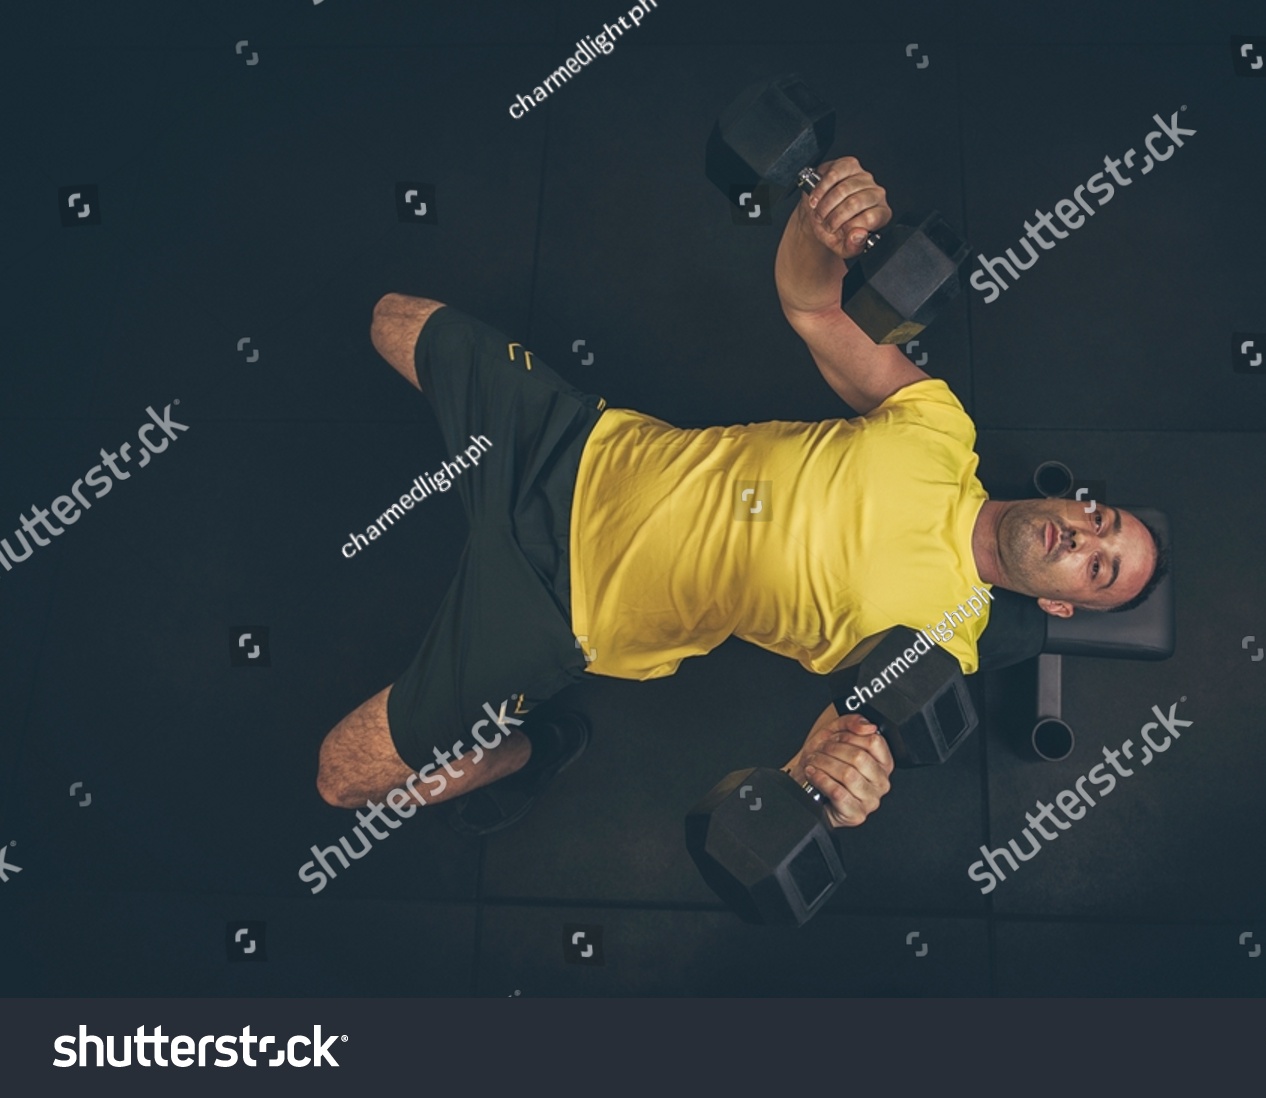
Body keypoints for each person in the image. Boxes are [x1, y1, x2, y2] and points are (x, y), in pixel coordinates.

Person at [316, 158, 1167, 834]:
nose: (1085, 540)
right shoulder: (943, 428)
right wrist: (815, 224)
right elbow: (811, 304)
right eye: (1104, 522)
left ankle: (531, 747)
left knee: (343, 779)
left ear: (1059, 610)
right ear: (1077, 501)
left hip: (554, 607)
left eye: (1100, 570)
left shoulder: (947, 639)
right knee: (391, 317)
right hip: (582, 447)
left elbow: (841, 744)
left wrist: (832, 785)